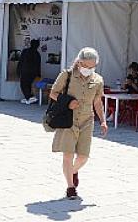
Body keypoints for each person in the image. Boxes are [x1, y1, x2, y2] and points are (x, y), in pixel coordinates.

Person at [49, 47, 108, 200]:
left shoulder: (98, 80)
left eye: (92, 66)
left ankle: (73, 171)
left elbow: (97, 102)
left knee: (83, 156)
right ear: (79, 62)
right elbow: (53, 93)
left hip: (87, 121)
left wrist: (103, 121)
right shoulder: (66, 75)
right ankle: (70, 187)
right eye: (86, 66)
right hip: (68, 120)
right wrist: (67, 102)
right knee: (68, 155)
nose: (89, 69)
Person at [18, 39, 41, 104]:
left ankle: (29, 97)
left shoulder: (25, 51)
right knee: (28, 85)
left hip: (25, 71)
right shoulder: (37, 54)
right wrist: (38, 74)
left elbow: (20, 62)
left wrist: (18, 70)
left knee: (24, 85)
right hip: (32, 73)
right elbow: (38, 65)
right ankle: (28, 97)